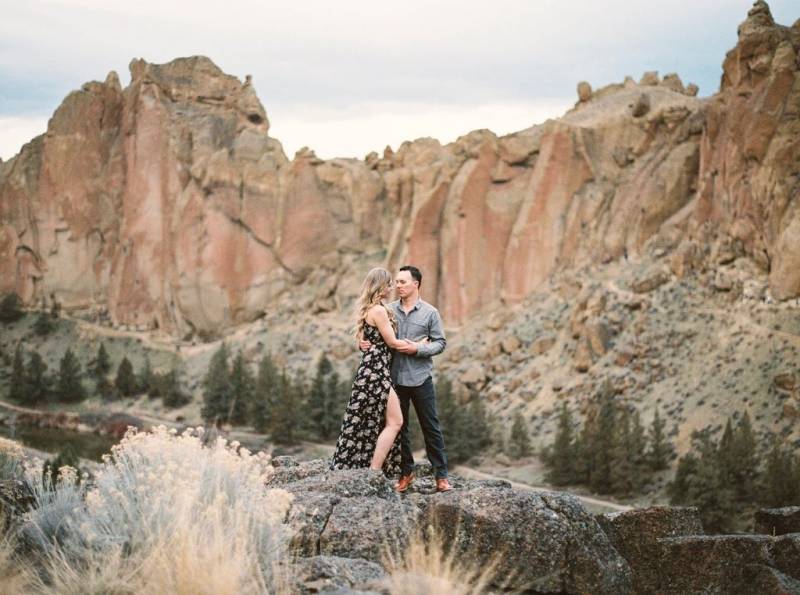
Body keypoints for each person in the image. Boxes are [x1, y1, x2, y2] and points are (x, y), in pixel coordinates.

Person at [360, 265, 452, 493]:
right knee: (400, 429)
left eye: (402, 282)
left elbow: (440, 343)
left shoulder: (430, 313)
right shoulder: (387, 310)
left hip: (421, 378)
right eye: (397, 282)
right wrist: (361, 343)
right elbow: (369, 332)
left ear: (416, 284)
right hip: (393, 379)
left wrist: (418, 349)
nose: (398, 286)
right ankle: (405, 474)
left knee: (431, 427)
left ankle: (441, 476)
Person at [330, 267, 418, 475]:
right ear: (380, 286)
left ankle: (372, 467)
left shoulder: (373, 308)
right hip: (376, 371)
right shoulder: (378, 311)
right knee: (395, 421)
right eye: (388, 284)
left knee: (373, 420)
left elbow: (368, 340)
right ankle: (375, 469)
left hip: (371, 370)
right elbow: (392, 342)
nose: (391, 288)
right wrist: (419, 345)